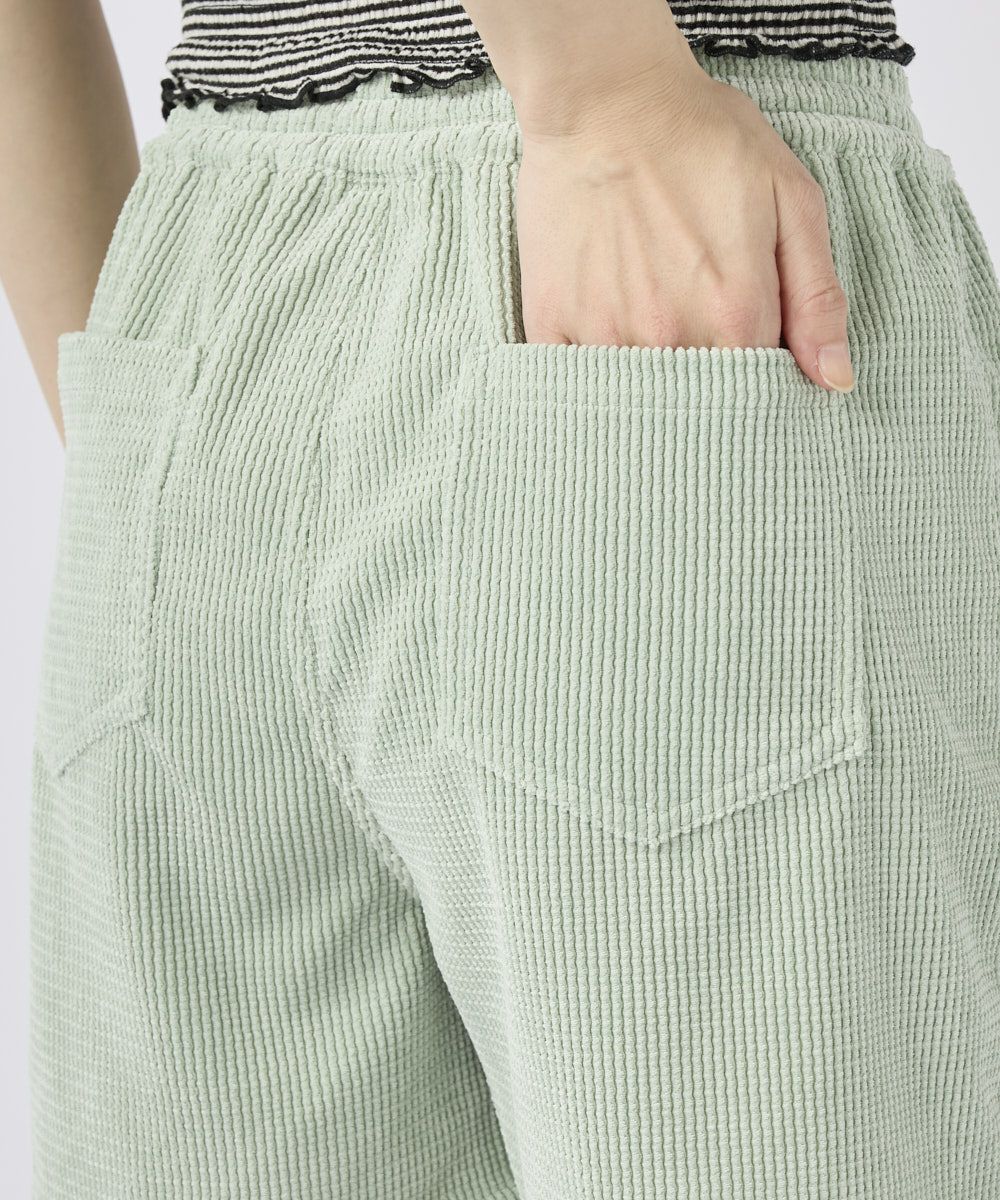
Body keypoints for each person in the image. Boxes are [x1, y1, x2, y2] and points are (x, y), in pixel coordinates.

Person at [4, 1, 1000, 1196]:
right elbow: (594, 95)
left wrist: (130, 408)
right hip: (636, 218)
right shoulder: (609, 110)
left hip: (198, 313)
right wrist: (606, 99)